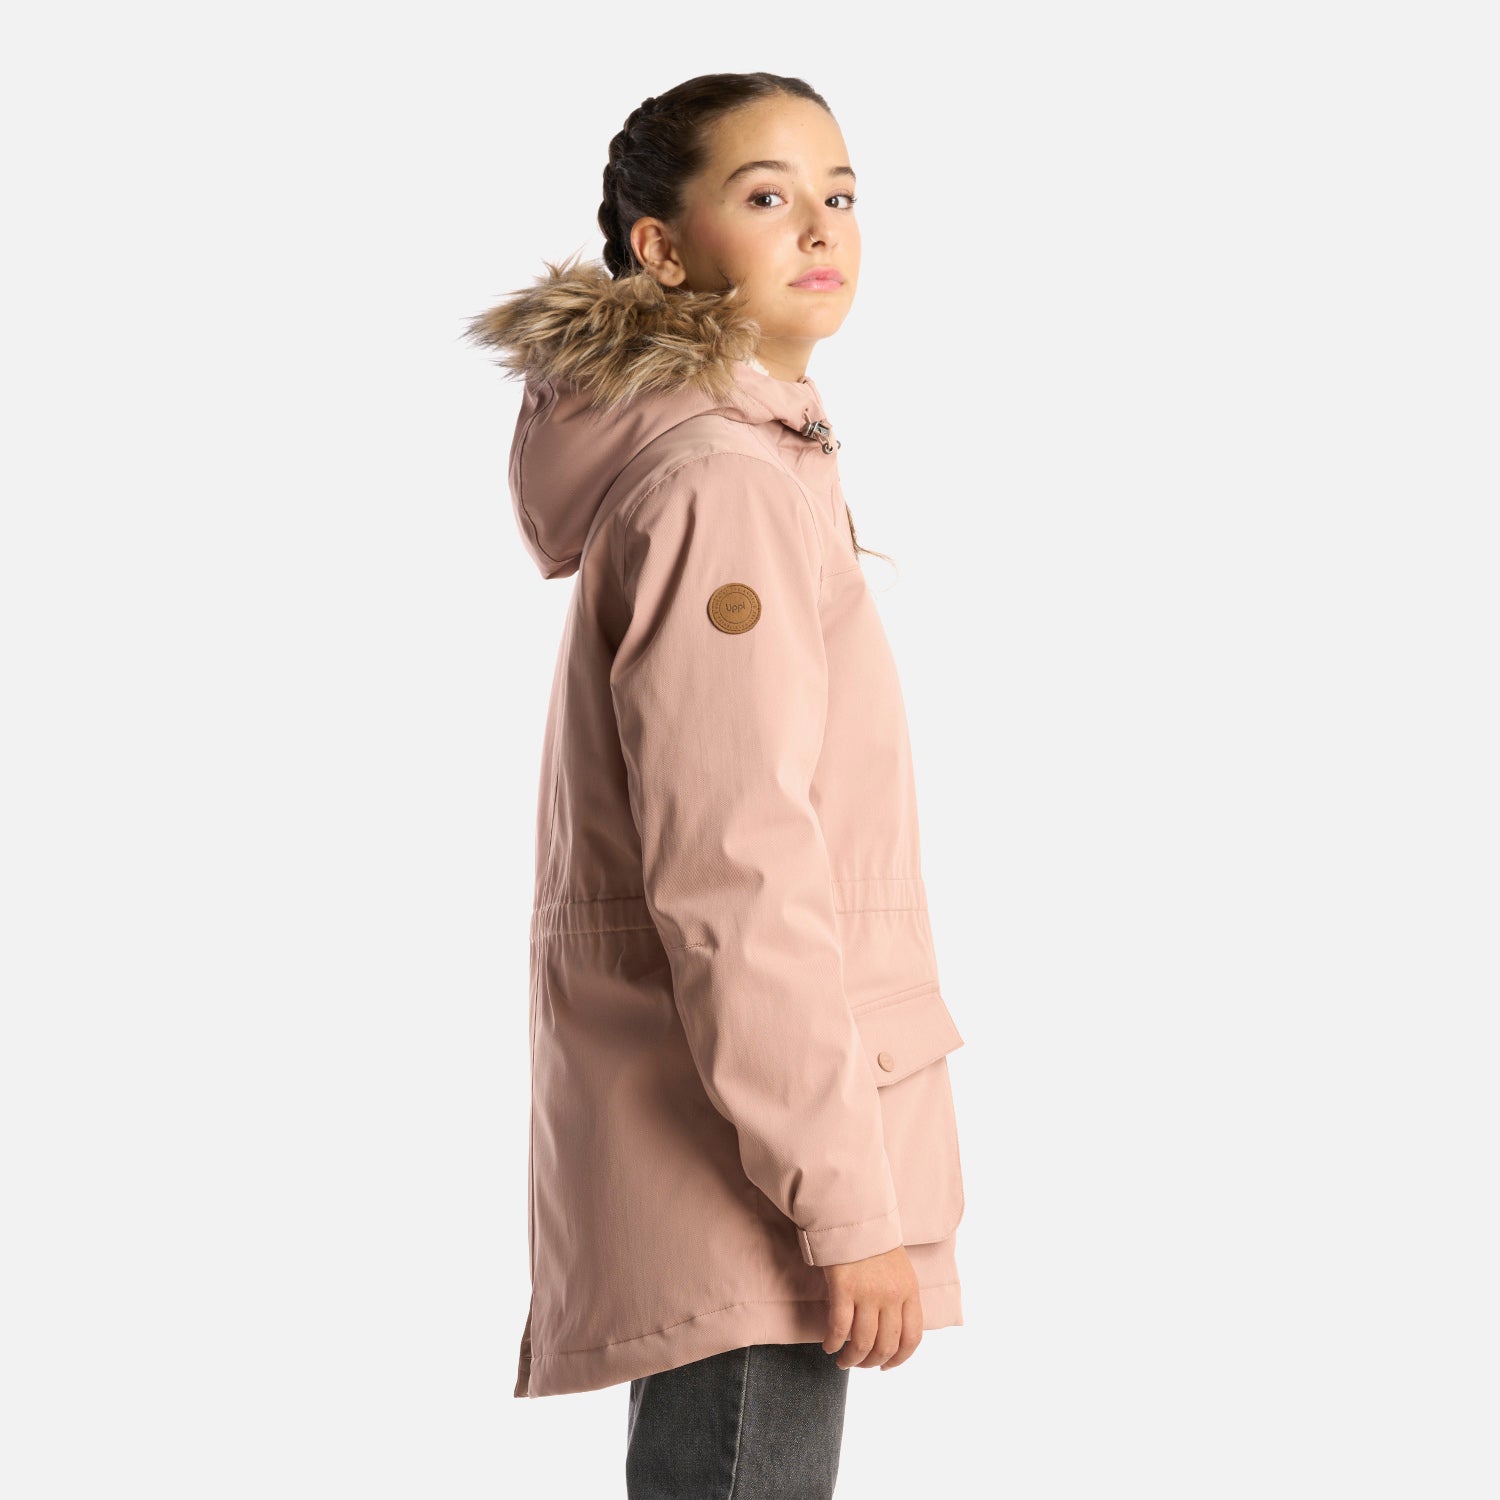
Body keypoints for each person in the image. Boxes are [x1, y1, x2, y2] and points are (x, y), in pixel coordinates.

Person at [465, 71, 967, 1499]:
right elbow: (735, 874)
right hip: (757, 1172)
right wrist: (844, 1204)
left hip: (742, 1148)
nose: (821, 225)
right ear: (663, 250)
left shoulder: (755, 460)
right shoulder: (724, 486)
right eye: (766, 194)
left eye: (841, 193)